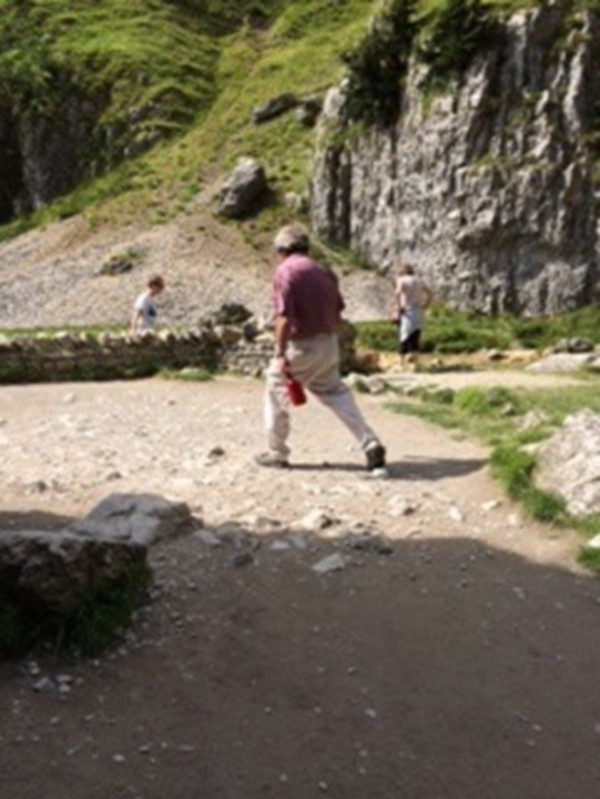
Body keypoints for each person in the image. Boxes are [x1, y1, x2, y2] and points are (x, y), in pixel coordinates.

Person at [255, 224, 387, 473]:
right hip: (328, 342)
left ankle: (276, 452)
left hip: (300, 345)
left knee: (275, 389)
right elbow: (339, 308)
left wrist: (280, 353)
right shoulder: (323, 271)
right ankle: (370, 442)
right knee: (335, 392)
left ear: (282, 249)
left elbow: (284, 317)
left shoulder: (286, 271)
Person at [393, 262, 432, 369]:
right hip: (418, 310)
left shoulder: (402, 280)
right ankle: (414, 363)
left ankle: (401, 363)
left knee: (403, 335)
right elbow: (429, 293)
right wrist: (426, 304)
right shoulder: (420, 280)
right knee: (415, 334)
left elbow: (397, 293)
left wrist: (398, 306)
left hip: (407, 310)